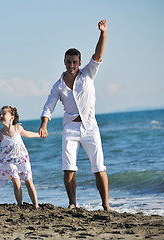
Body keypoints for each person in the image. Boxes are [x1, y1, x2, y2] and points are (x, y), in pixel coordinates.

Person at [39, 20, 111, 211]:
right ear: (64, 62)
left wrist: (103, 33)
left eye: (75, 62)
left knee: (99, 167)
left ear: (79, 63)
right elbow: (49, 105)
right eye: (69, 62)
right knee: (68, 168)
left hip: (90, 127)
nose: (72, 65)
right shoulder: (58, 85)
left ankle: (106, 204)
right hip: (70, 128)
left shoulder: (88, 73)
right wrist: (44, 124)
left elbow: (98, 54)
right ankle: (72, 204)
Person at [0, 106, 39, 209]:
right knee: (16, 180)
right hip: (8, 161)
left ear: (11, 117)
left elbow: (27, 134)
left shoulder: (18, 128)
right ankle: (20, 204)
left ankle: (36, 205)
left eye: (4, 114)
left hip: (22, 159)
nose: (1, 116)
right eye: (0, 114)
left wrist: (39, 135)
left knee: (28, 180)